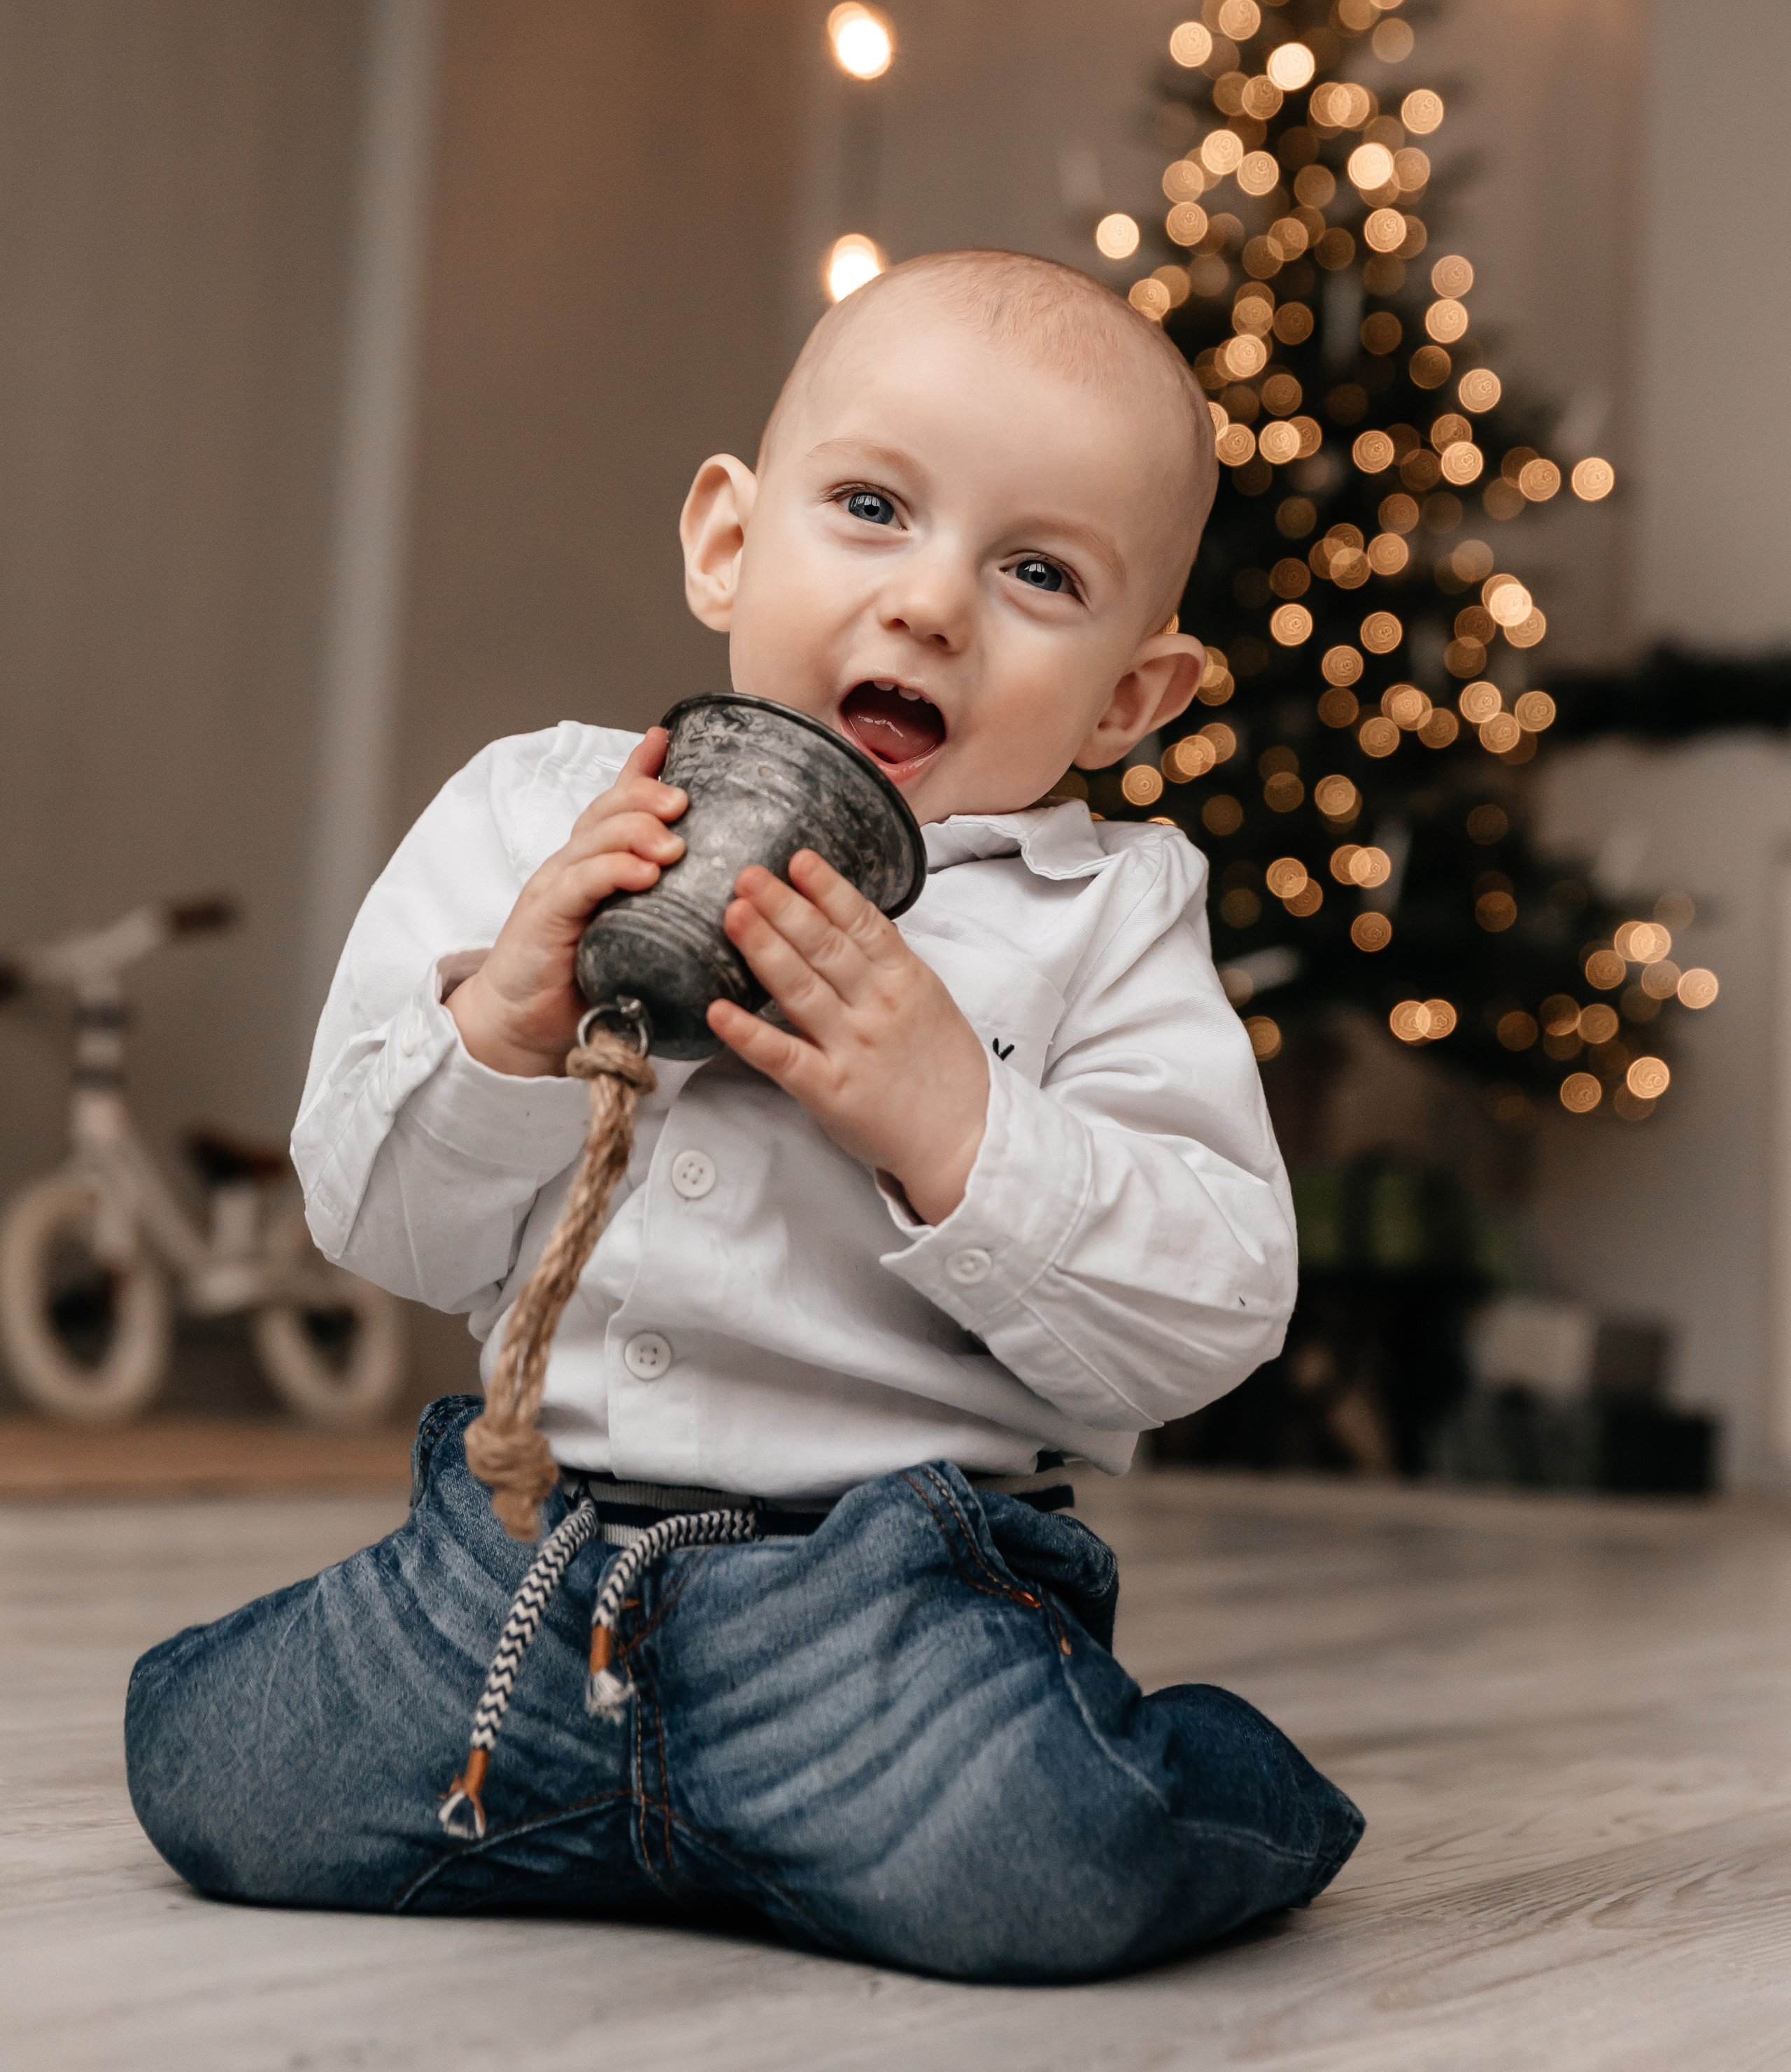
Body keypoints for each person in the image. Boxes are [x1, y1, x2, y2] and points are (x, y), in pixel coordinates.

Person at [125, 249, 1363, 1980]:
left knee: (1045, 1859)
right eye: (872, 508)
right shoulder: (536, 816)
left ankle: (1202, 1792)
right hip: (523, 1559)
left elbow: (1213, 1308)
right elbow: (368, 1216)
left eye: (1036, 572)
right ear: (725, 538)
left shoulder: (1102, 915)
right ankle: (703, 1823)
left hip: (878, 1602)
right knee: (217, 1774)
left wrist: (957, 1125)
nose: (929, 604)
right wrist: (504, 1029)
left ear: (1128, 699)